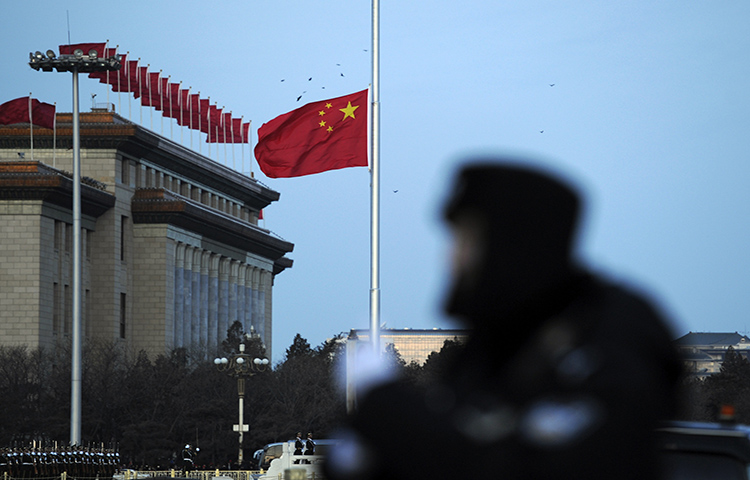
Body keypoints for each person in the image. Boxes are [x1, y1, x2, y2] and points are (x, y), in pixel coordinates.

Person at [326, 160, 682, 480]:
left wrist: (384, 407)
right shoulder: (492, 348)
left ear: (511, 243)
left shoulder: (615, 333)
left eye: (467, 241)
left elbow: (532, 465)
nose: (452, 259)